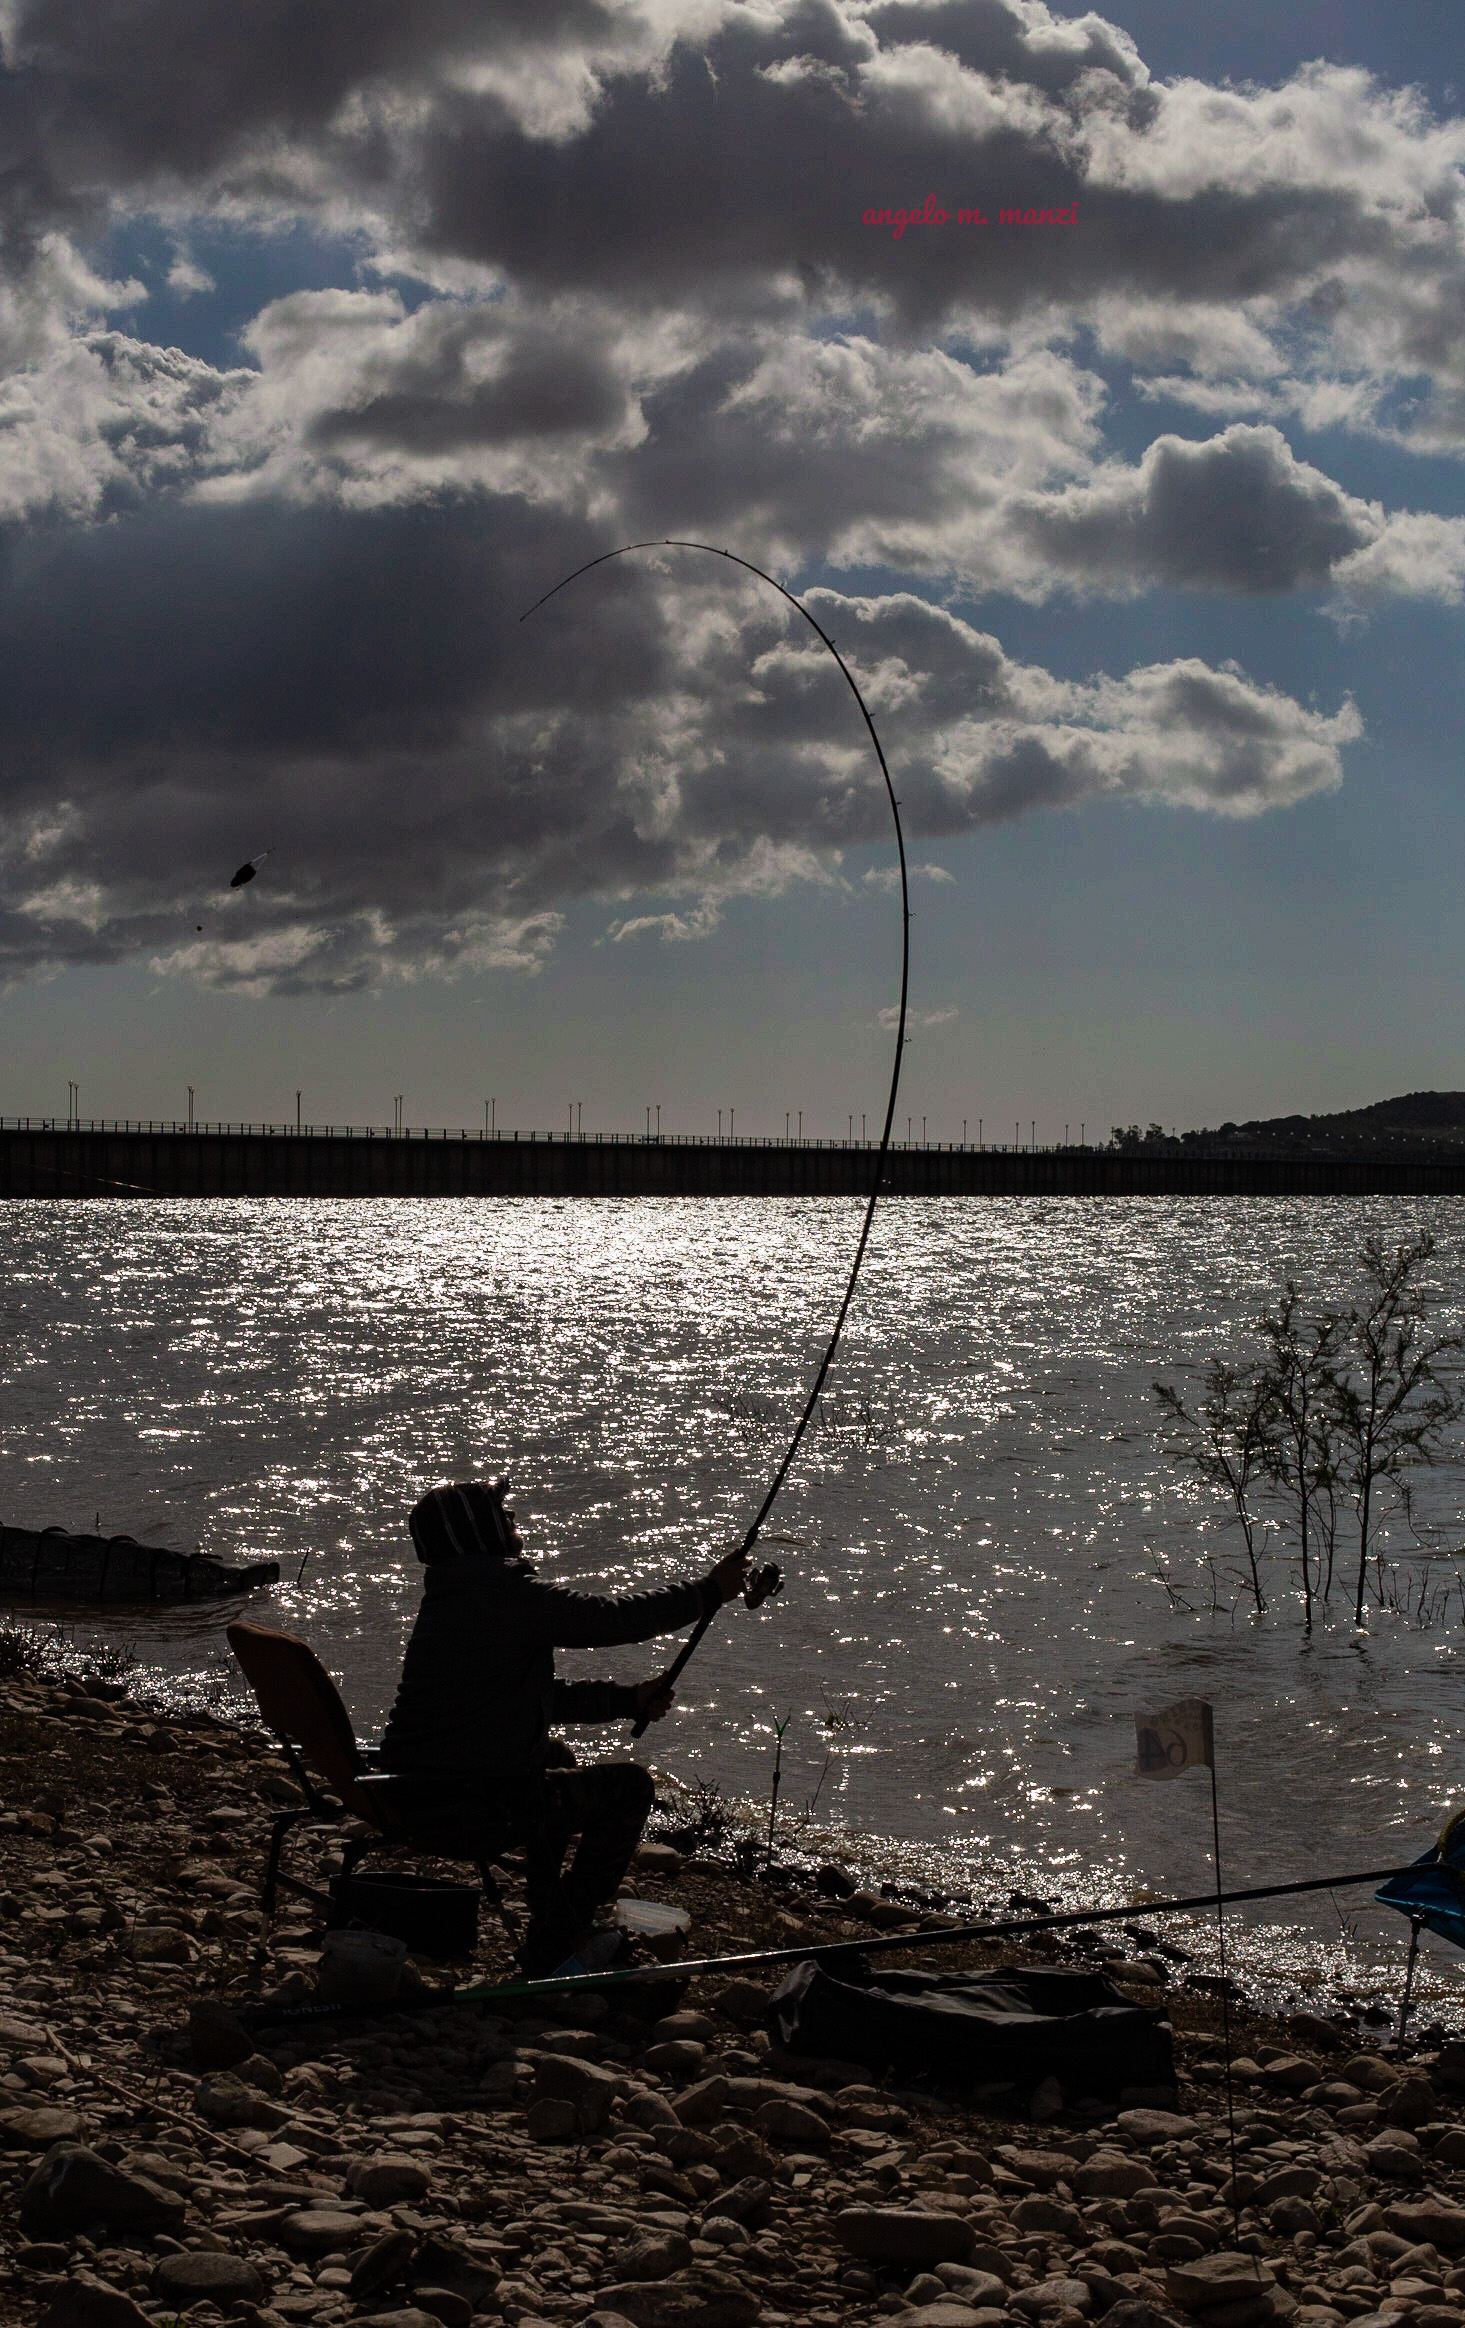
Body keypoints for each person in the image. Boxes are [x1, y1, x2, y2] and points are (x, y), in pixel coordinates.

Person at [377, 1477, 750, 1976]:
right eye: (500, 1513)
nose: (512, 1518)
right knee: (630, 1788)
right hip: (465, 1804)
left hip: (419, 1790)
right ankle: (559, 1937)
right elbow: (611, 1620)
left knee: (555, 1758)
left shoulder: (454, 1598)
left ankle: (549, 1921)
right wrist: (707, 1592)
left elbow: (523, 1699)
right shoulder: (502, 1593)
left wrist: (626, 1700)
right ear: (478, 1531)